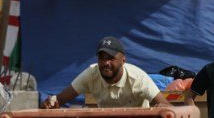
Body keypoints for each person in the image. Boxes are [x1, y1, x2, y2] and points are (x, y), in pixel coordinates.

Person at [41, 36, 170, 109]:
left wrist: (161, 109)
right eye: (101, 58)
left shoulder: (138, 78)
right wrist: (49, 104)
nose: (105, 63)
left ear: (123, 60)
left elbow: (168, 107)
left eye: (111, 58)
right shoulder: (91, 74)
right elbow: (60, 100)